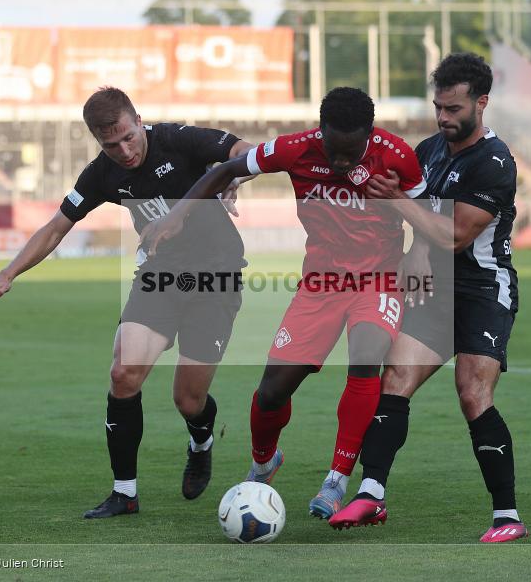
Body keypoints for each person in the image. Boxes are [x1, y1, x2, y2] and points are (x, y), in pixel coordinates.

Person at [140, 87, 426, 520]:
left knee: (366, 358)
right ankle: (263, 461)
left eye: (350, 153)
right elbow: (228, 168)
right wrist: (177, 214)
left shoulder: (397, 155)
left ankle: (337, 479)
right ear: (321, 132)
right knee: (273, 390)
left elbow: (427, 212)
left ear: (370, 133)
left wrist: (417, 248)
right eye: (333, 150)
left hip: (379, 278)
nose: (340, 163)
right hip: (320, 283)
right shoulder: (296, 149)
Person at [0, 87, 253, 518]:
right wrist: (8, 274)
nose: (123, 151)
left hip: (216, 276)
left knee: (188, 400)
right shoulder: (102, 174)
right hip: (160, 276)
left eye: (128, 137)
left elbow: (247, 152)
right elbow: (54, 228)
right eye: (110, 144)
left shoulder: (178, 139)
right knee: (123, 373)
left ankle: (201, 440)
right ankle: (125, 493)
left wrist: (232, 176)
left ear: (139, 120)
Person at [329, 53, 527, 543]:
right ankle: (371, 494)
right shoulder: (428, 150)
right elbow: (422, 218)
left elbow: (457, 234)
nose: (443, 117)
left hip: (483, 288)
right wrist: (415, 246)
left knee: (472, 392)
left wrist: (395, 200)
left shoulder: (496, 162)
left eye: (454, 108)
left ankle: (507, 517)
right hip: (432, 289)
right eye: (439, 106)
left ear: (482, 103)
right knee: (393, 378)